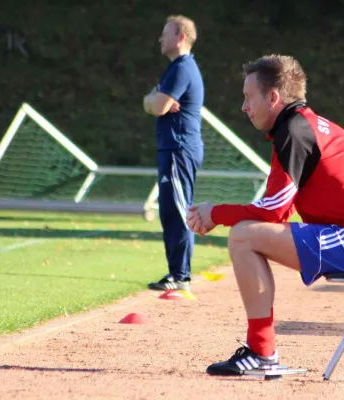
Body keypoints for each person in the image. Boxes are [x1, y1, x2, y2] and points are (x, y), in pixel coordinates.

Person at [186, 54, 344, 376]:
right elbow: (279, 207)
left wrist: (216, 213)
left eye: (248, 96)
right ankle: (261, 350)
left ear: (273, 97)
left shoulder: (295, 132)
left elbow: (274, 211)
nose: (244, 106)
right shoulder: (300, 126)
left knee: (241, 235)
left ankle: (261, 351)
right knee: (244, 232)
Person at [143, 15, 204, 291]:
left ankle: (180, 275)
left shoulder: (182, 68)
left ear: (180, 37)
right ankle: (177, 273)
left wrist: (155, 99)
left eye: (165, 34)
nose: (160, 39)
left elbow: (158, 106)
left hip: (179, 149)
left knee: (177, 211)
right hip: (173, 148)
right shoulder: (176, 68)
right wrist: (154, 99)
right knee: (170, 210)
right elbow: (156, 103)